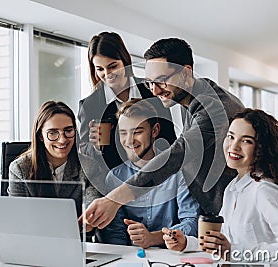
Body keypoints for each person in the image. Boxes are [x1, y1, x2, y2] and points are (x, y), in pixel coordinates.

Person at [84, 38, 244, 229]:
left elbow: (177, 154)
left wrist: (114, 200)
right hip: (221, 207)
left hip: (238, 208)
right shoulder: (191, 97)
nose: (155, 90)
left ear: (186, 73)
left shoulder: (213, 108)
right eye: (150, 82)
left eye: (161, 81)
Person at [163, 108, 278, 266]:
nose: (234, 146)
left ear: (262, 148)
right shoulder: (233, 188)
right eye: (231, 137)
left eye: (246, 141)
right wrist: (186, 243)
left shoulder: (264, 191)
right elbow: (224, 241)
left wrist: (236, 251)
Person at [100, 99, 199, 248]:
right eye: (123, 133)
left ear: (155, 131)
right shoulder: (115, 177)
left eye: (138, 132)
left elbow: (192, 223)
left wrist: (154, 238)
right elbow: (115, 235)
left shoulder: (179, 171)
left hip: (173, 256)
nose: (129, 140)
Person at [77, 32, 176, 176]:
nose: (107, 74)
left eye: (112, 66)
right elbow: (85, 154)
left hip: (157, 172)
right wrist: (96, 147)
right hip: (115, 178)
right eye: (100, 69)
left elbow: (169, 136)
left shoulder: (151, 89)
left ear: (124, 61)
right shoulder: (89, 105)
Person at [8, 101, 102, 226]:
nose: (62, 139)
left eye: (68, 131)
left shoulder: (90, 167)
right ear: (40, 136)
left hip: (76, 241)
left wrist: (88, 222)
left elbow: (91, 218)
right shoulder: (20, 168)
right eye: (52, 133)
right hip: (32, 241)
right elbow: (18, 219)